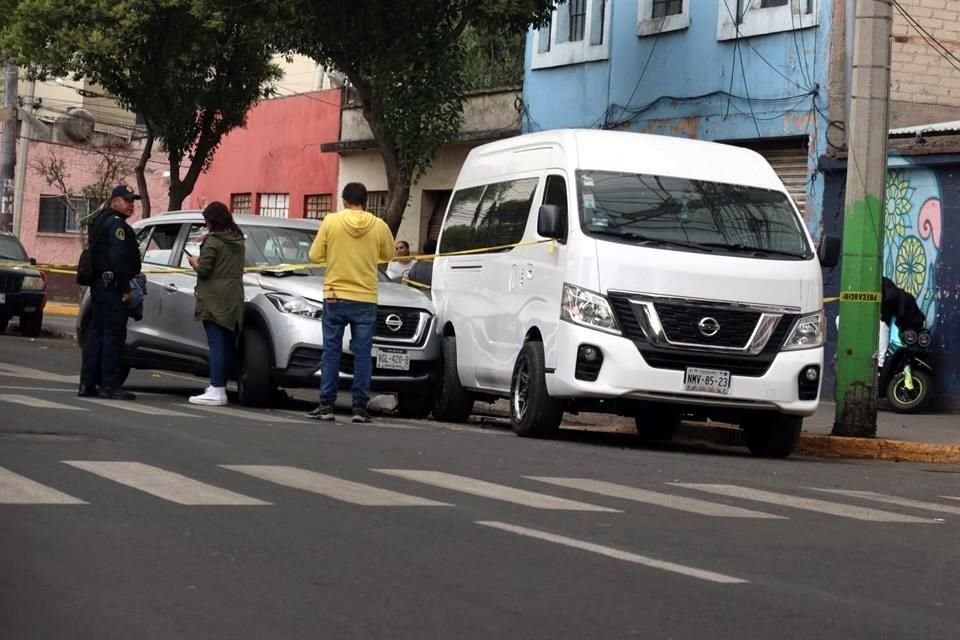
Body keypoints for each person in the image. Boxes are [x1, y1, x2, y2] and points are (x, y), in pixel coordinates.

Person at [307, 182, 394, 422]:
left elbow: (314, 255)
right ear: (365, 201)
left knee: (331, 351)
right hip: (365, 297)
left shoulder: (331, 222)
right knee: (363, 353)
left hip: (334, 294)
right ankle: (359, 408)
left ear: (344, 200)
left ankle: (326, 405)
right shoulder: (379, 226)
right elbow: (388, 255)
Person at [79, 185, 142, 400]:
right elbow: (117, 259)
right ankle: (110, 385)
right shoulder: (116, 225)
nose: (131, 205)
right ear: (114, 201)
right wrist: (125, 289)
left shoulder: (100, 220)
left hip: (100, 286)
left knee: (96, 335)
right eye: (127, 200)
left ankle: (88, 383)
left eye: (133, 201)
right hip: (113, 288)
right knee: (113, 337)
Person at [186, 202, 246, 406]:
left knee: (216, 344)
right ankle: (218, 385)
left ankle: (217, 388)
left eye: (206, 220)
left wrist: (195, 261)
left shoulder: (213, 242)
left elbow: (204, 270)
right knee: (227, 343)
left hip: (213, 298)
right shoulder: (237, 239)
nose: (205, 224)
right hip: (233, 297)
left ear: (212, 221)